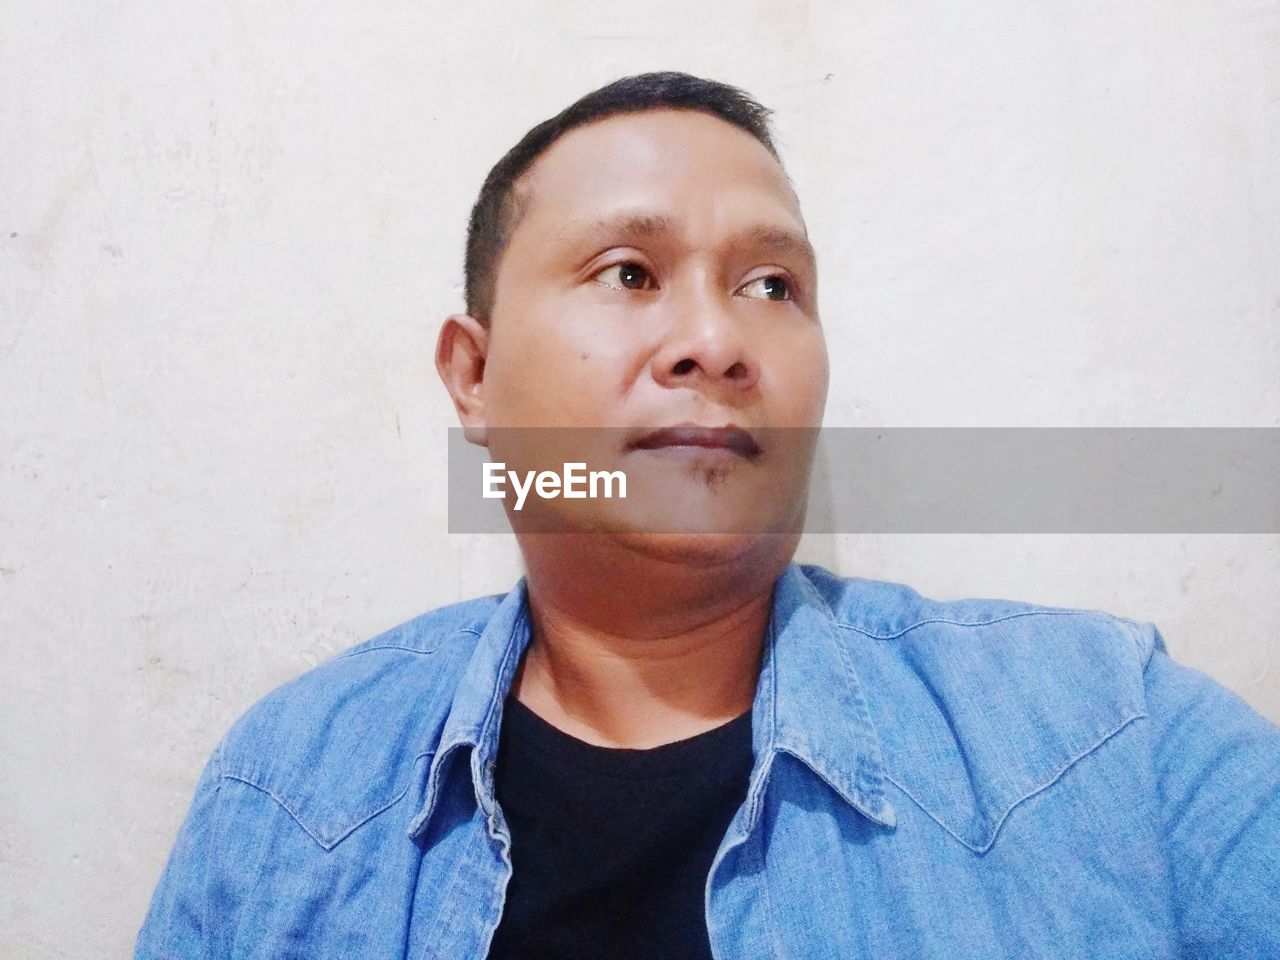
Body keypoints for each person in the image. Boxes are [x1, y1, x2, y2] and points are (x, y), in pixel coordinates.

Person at [135, 72, 1280, 960]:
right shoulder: (291, 790)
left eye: (770, 286)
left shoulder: (1103, 737)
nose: (718, 341)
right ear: (472, 377)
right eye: (629, 272)